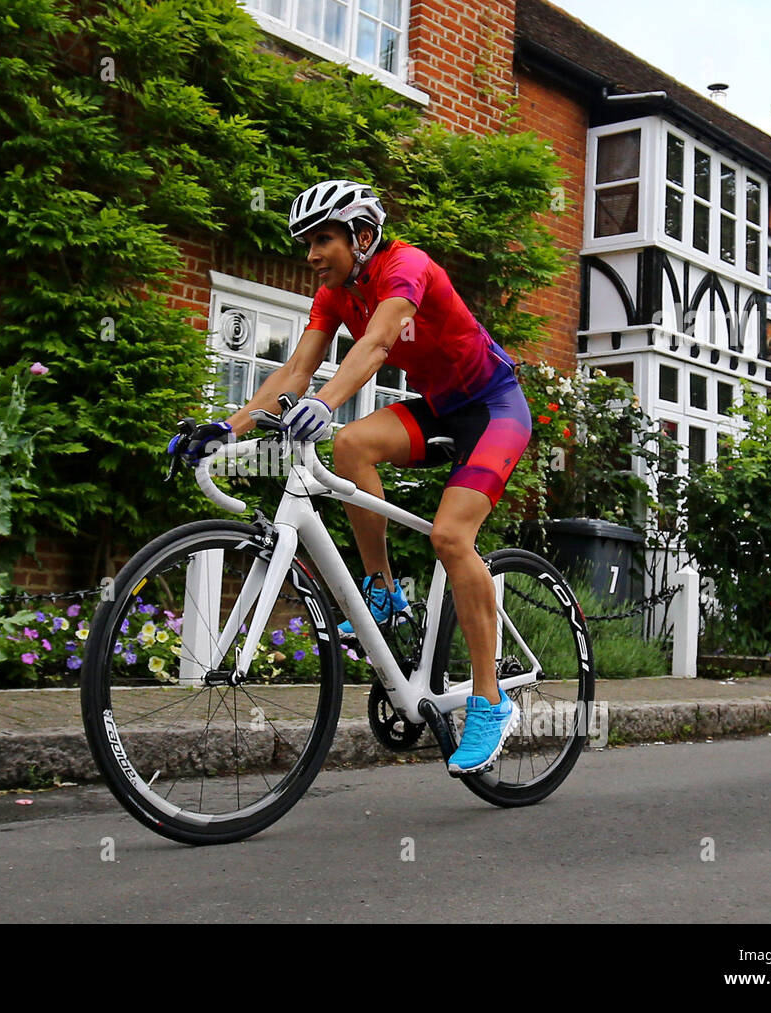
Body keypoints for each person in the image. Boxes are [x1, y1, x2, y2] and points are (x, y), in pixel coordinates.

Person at [168, 179, 532, 775]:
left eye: (323, 240)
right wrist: (228, 428)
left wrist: (327, 400)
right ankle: (384, 593)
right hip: (440, 406)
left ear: (363, 237)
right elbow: (294, 369)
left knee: (449, 538)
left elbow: (380, 342)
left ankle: (490, 701)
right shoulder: (333, 294)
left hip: (494, 407)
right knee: (352, 445)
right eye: (306, 242)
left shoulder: (405, 266)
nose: (311, 254)